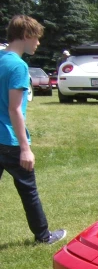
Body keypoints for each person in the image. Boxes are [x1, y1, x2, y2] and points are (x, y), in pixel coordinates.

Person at [0, 15, 65, 244]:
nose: (38, 43)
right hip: (9, 141)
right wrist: (25, 149)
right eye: (36, 38)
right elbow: (15, 109)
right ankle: (43, 236)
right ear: (26, 36)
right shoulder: (18, 65)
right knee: (29, 190)